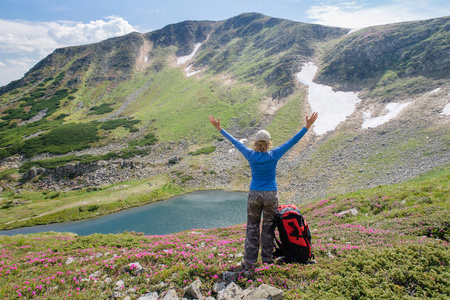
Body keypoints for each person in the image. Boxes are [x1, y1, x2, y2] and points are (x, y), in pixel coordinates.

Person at [209, 112, 318, 267]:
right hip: (271, 196)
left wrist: (219, 128)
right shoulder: (274, 154)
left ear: (255, 142)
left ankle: (249, 261)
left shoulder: (250, 154)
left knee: (252, 227)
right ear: (269, 143)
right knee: (268, 228)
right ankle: (267, 260)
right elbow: (293, 141)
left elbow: (235, 142)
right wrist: (307, 126)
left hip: (254, 195)